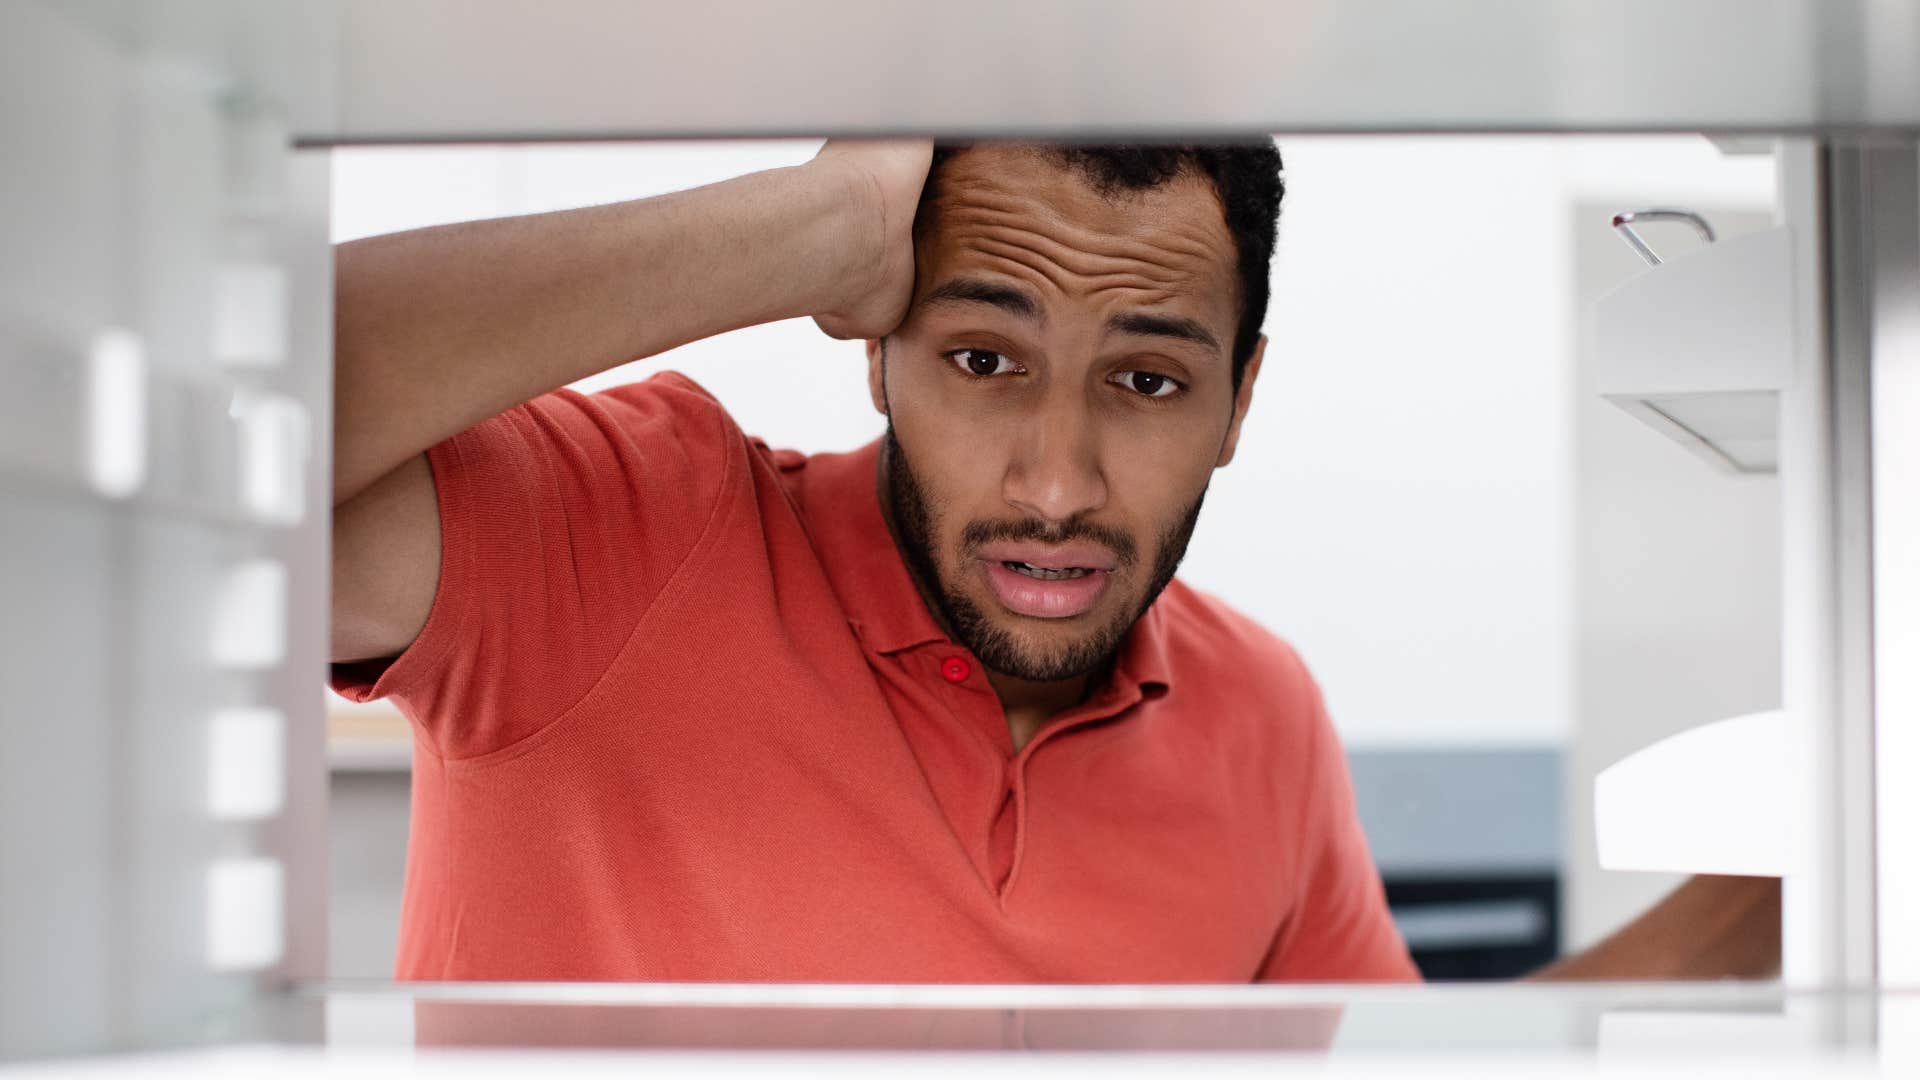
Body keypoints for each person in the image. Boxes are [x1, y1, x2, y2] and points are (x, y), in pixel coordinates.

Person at [329, 140, 1777, 983]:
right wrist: (808, 229)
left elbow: (1410, 1078)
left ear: (1238, 402)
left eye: (1146, 382)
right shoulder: (625, 533)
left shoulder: (1257, 714)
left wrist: (1799, 863)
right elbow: (250, 432)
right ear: (878, 352)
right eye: (982, 358)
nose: (1058, 482)